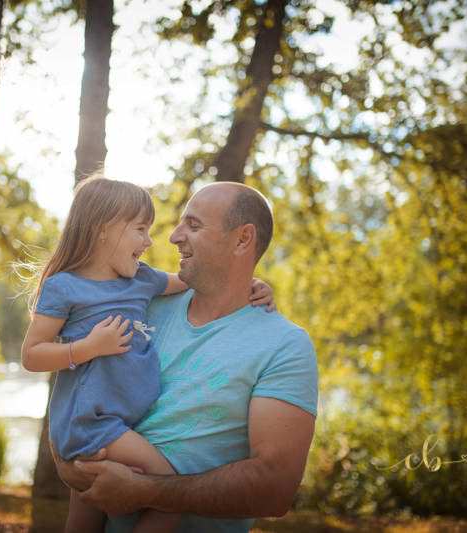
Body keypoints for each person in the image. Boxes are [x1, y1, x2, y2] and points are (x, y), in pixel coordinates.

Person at [55, 181, 318, 533]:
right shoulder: (140, 306)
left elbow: (276, 489)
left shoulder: (285, 346)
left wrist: (147, 491)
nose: (173, 236)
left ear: (243, 239)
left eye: (193, 225)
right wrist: (69, 465)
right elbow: (78, 399)